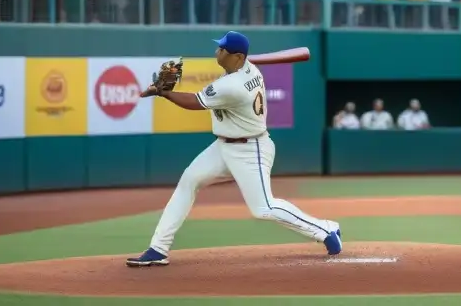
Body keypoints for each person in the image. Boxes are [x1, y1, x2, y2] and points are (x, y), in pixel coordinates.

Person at [125, 31, 342, 266]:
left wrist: (163, 92)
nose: (217, 52)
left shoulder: (233, 86)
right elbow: (232, 69)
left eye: (222, 49)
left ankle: (325, 229)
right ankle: (158, 248)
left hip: (251, 149)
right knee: (189, 180)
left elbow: (194, 102)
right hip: (224, 146)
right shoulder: (242, 68)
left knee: (264, 207)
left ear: (237, 57)